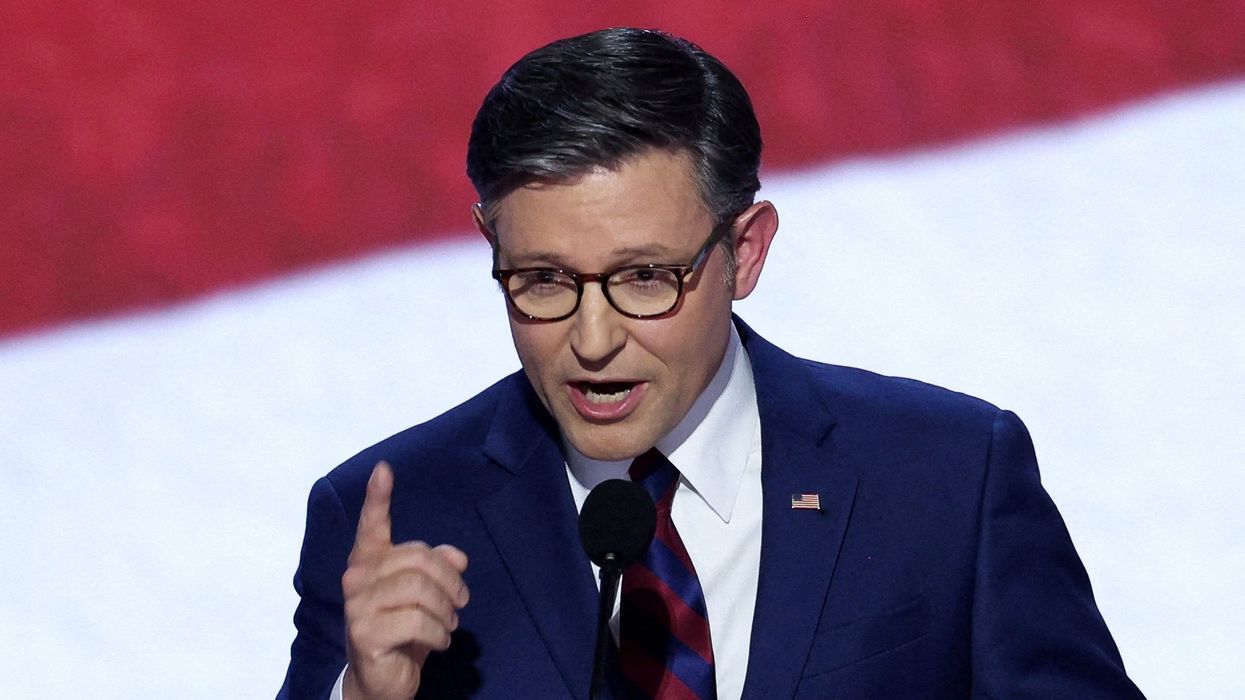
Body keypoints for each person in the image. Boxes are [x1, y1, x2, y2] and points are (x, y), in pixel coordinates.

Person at [279, 27, 1144, 700]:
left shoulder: (944, 477)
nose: (591, 341)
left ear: (746, 251)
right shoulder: (392, 516)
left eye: (644, 278)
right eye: (542, 280)